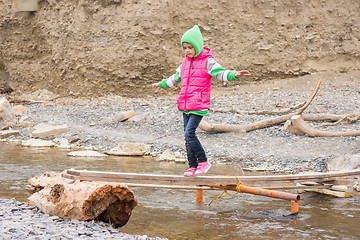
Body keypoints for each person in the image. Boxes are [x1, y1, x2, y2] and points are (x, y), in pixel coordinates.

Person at [152, 25, 250, 177]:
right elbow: (175, 79)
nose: (187, 51)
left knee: (189, 134)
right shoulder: (185, 62)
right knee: (187, 137)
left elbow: (220, 73)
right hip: (185, 104)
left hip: (198, 104)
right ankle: (192, 166)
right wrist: (161, 84)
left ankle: (203, 162)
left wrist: (234, 74)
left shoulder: (207, 61)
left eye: (190, 47)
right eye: (185, 48)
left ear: (197, 46)